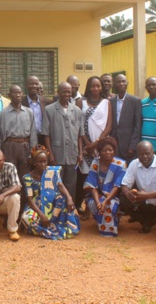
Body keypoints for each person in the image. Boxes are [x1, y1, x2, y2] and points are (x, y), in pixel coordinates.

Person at [120, 141, 156, 235]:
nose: (144, 156)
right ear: (137, 154)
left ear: (153, 152)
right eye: (141, 154)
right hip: (146, 205)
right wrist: (128, 194)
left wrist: (147, 195)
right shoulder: (134, 164)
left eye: (147, 153)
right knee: (124, 199)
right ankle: (146, 222)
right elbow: (124, 185)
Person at [21, 146, 79, 240]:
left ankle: (56, 227)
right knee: (27, 218)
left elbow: (60, 186)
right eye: (40, 162)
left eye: (45, 161)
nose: (43, 164)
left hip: (53, 202)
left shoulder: (53, 172)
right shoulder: (28, 178)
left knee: (63, 198)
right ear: (34, 162)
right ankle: (46, 228)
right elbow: (30, 199)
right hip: (37, 205)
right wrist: (41, 215)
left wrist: (69, 198)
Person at [42, 82, 84, 203]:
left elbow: (80, 135)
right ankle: (56, 214)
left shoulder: (76, 110)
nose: (66, 94)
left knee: (71, 184)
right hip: (56, 153)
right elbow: (46, 134)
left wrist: (80, 153)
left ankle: (70, 213)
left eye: (69, 92)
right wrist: (50, 153)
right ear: (58, 92)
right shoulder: (49, 110)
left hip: (72, 153)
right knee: (55, 184)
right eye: (64, 91)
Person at [76, 76, 112, 210]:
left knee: (100, 176)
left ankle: (99, 205)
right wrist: (88, 144)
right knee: (86, 177)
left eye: (98, 86)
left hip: (101, 146)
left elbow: (109, 125)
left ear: (101, 87)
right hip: (85, 146)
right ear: (88, 87)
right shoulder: (81, 102)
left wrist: (96, 143)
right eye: (93, 86)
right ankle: (85, 206)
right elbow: (78, 124)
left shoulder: (106, 102)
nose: (95, 88)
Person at [84, 137, 127, 237]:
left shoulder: (121, 164)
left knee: (109, 205)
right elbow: (92, 184)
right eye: (104, 150)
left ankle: (109, 229)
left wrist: (106, 201)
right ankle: (102, 223)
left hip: (114, 195)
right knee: (93, 203)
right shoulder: (95, 162)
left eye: (110, 150)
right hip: (98, 194)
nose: (108, 152)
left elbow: (117, 186)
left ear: (114, 151)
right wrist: (98, 202)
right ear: (99, 152)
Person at [0, 85, 37, 176]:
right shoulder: (2, 114)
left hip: (25, 147)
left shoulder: (29, 112)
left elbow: (33, 134)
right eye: (15, 93)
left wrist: (32, 153)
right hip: (9, 147)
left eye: (20, 93)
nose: (18, 95)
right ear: (9, 95)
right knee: (9, 174)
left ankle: (24, 191)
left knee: (25, 175)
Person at [109, 74, 142, 164]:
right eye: (118, 82)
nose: (121, 84)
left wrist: (133, 146)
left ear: (127, 83)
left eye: (123, 81)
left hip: (129, 145)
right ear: (114, 84)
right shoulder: (111, 101)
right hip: (114, 143)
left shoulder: (135, 101)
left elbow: (137, 125)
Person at [22, 75, 51, 145]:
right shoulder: (21, 102)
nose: (34, 86)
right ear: (26, 85)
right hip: (27, 139)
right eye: (31, 84)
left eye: (36, 84)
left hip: (44, 139)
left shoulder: (47, 102)